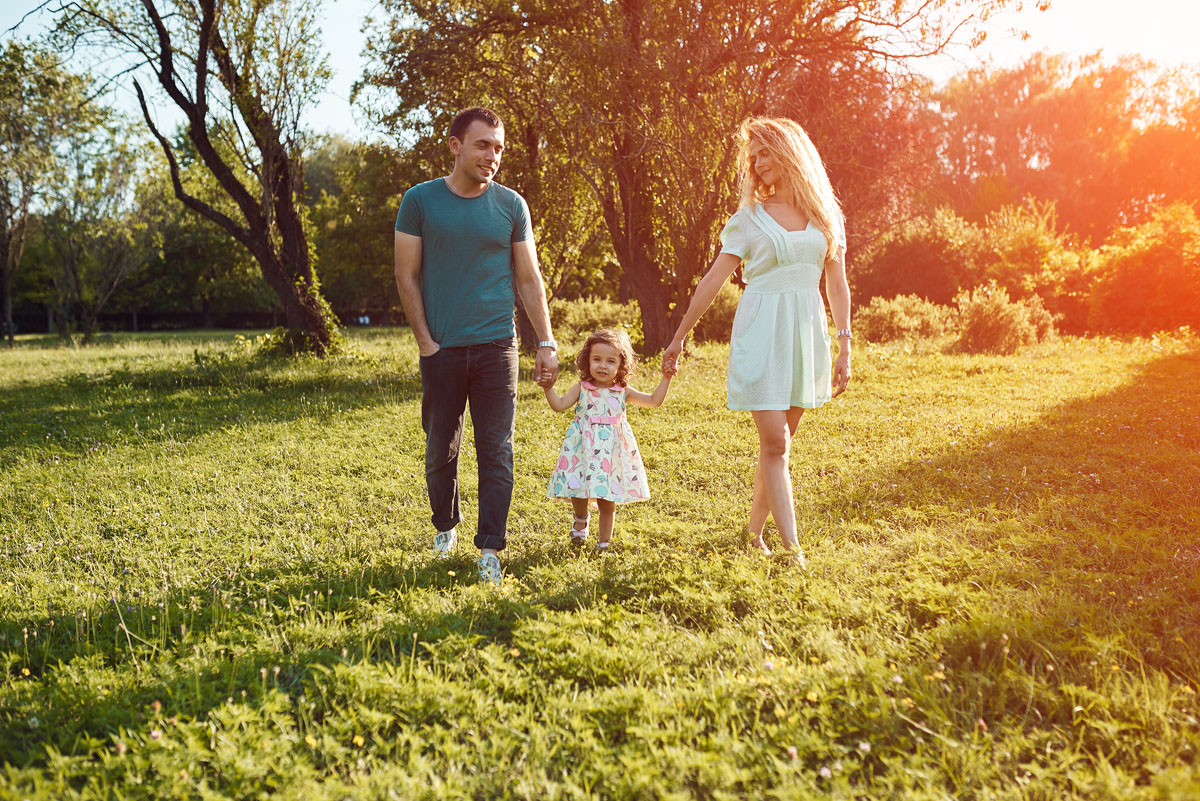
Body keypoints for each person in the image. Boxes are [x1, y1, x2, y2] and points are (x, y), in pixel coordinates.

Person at [662, 116, 852, 567]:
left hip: (806, 335)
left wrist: (845, 344)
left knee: (780, 444)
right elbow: (712, 281)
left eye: (765, 152)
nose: (758, 163)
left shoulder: (825, 217)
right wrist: (678, 337)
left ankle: (753, 533)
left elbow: (837, 283)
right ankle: (793, 550)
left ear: (789, 152)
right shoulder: (747, 221)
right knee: (776, 444)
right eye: (754, 156)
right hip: (762, 331)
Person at [394, 106, 560, 585]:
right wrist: (426, 342)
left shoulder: (512, 206)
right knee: (440, 447)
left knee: (497, 449)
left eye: (499, 148)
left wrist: (545, 341)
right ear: (455, 145)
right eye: (483, 144)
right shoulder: (420, 202)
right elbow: (406, 274)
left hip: (496, 348)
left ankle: (490, 546)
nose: (493, 156)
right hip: (442, 350)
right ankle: (445, 526)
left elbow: (529, 279)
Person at [544, 328, 672, 552]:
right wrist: (548, 388)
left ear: (621, 365)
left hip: (610, 454)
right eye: (597, 359)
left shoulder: (622, 391)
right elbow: (559, 405)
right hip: (582, 448)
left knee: (607, 498)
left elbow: (654, 400)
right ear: (587, 360)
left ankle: (603, 543)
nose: (603, 366)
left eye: (610, 361)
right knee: (578, 487)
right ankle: (581, 519)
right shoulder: (583, 388)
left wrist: (666, 378)